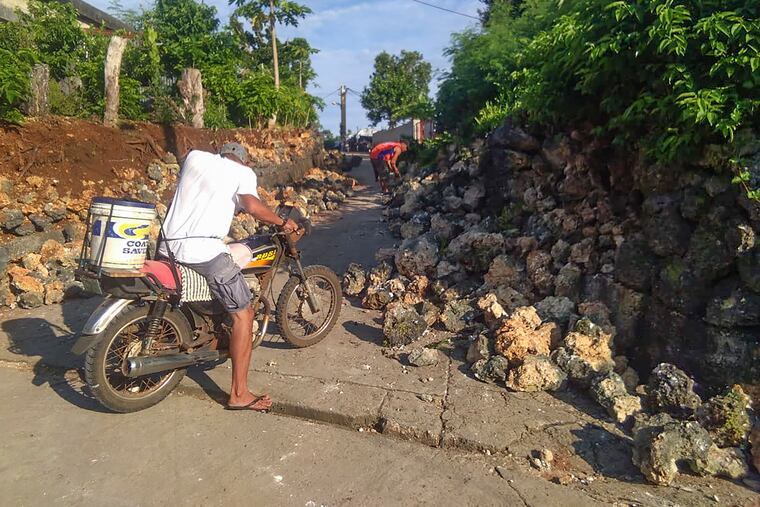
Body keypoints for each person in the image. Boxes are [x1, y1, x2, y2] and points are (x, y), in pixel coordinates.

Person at [160, 142, 298, 412]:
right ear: (243, 162)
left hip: (168, 246)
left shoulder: (195, 159)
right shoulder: (242, 174)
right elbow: (251, 206)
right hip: (202, 251)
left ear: (221, 154)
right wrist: (282, 223)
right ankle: (239, 393)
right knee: (244, 313)